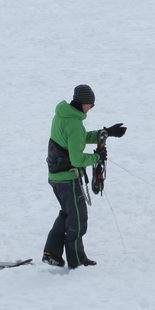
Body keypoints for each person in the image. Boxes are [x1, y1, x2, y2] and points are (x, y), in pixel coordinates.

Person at [43, 84, 126, 269]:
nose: (91, 108)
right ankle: (77, 260)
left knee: (67, 214)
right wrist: (97, 157)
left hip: (56, 177)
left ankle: (51, 253)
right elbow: (78, 159)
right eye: (91, 104)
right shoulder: (73, 123)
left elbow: (78, 138)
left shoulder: (62, 116)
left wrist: (105, 133)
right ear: (83, 103)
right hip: (67, 179)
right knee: (78, 219)